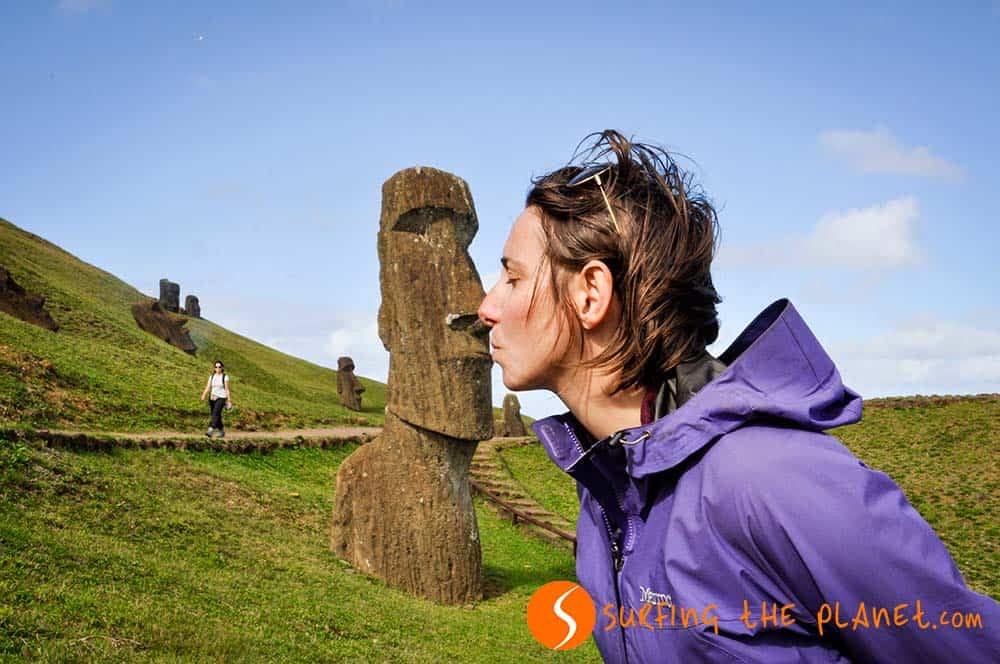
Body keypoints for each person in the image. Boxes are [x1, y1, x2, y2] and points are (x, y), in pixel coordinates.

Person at [477, 130, 1000, 663]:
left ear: (590, 293)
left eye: (512, 278)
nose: (486, 307)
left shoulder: (773, 479)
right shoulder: (606, 492)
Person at [199, 360, 232, 438]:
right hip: (212, 398)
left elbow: (227, 389)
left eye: (219, 367)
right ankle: (221, 431)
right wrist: (204, 395)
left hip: (221, 398)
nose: (218, 368)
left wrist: (229, 400)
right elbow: (208, 387)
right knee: (217, 415)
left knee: (215, 414)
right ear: (214, 368)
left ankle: (210, 430)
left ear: (222, 368)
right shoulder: (212, 376)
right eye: (216, 367)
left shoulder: (225, 377)